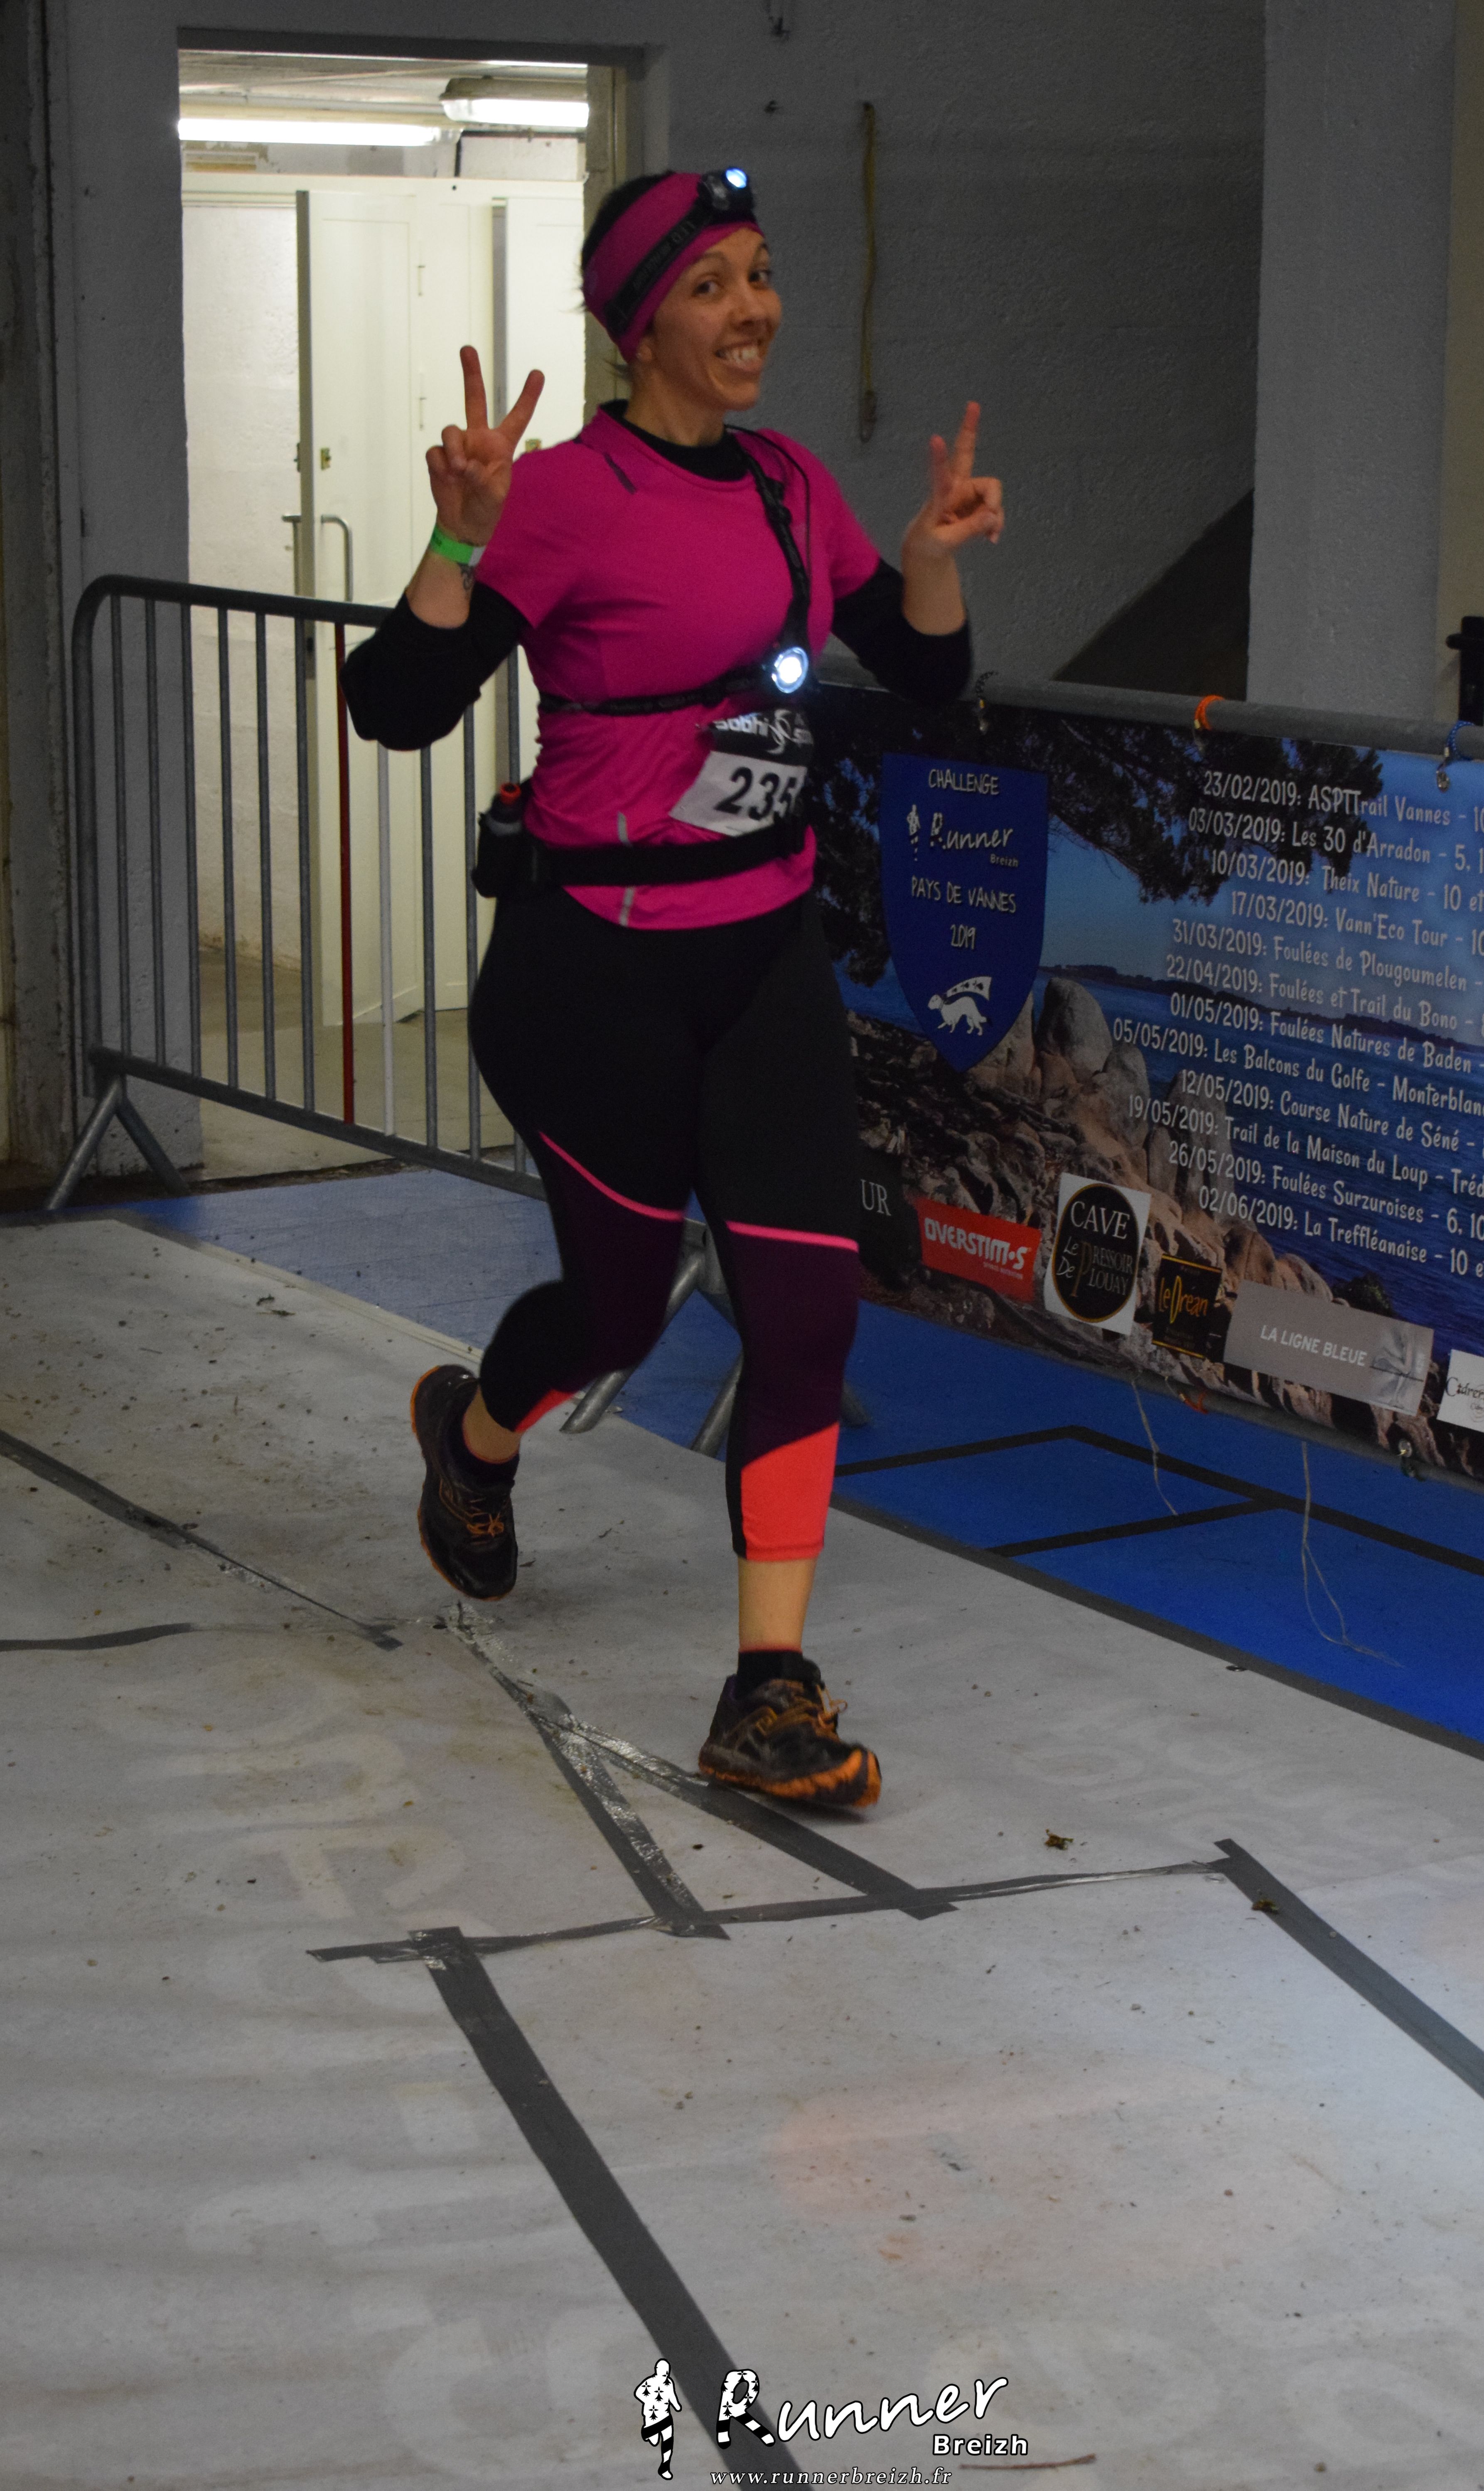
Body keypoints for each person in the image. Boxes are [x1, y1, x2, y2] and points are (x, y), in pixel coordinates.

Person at [344, 166, 1002, 1809]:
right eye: (712, 285)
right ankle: (474, 1438)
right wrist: (458, 535)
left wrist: (928, 555)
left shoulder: (789, 484)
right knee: (621, 1308)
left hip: (763, 955)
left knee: (806, 1311)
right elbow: (396, 702)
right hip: (594, 974)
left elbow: (926, 671)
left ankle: (767, 1686)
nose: (753, 308)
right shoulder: (569, 496)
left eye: (761, 274)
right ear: (641, 326)